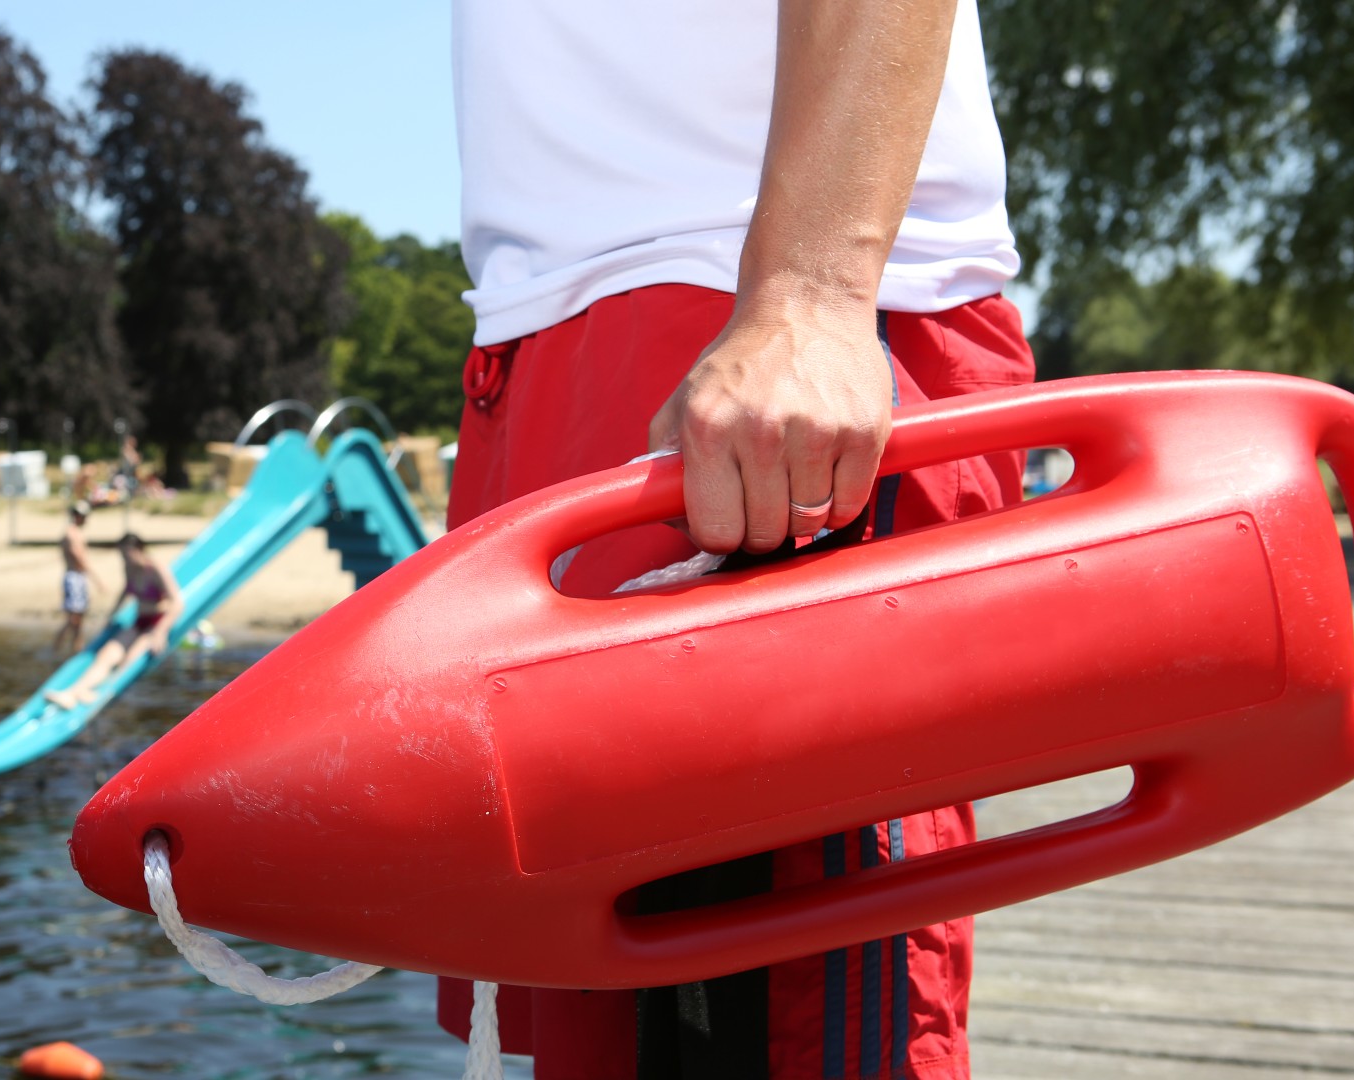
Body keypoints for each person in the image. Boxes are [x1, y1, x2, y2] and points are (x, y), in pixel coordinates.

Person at [438, 3, 1031, 1077]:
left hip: (751, 305)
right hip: (552, 328)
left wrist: (809, 290)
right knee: (602, 1014)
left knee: (793, 1032)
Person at [44, 534, 181, 710]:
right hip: (139, 622)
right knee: (107, 654)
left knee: (130, 659)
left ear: (138, 551)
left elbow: (177, 603)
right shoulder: (130, 568)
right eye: (122, 555)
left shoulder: (155, 568)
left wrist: (160, 632)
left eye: (126, 554)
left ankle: (101, 694)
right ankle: (74, 692)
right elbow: (125, 591)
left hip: (156, 624)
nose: (124, 559)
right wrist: (111, 616)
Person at [54, 501, 107, 655]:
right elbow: (80, 560)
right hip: (74, 578)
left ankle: (77, 649)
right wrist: (98, 581)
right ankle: (56, 648)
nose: (86, 520)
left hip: (78, 578)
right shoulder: (71, 535)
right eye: (84, 516)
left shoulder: (75, 533)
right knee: (73, 619)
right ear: (77, 516)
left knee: (79, 618)